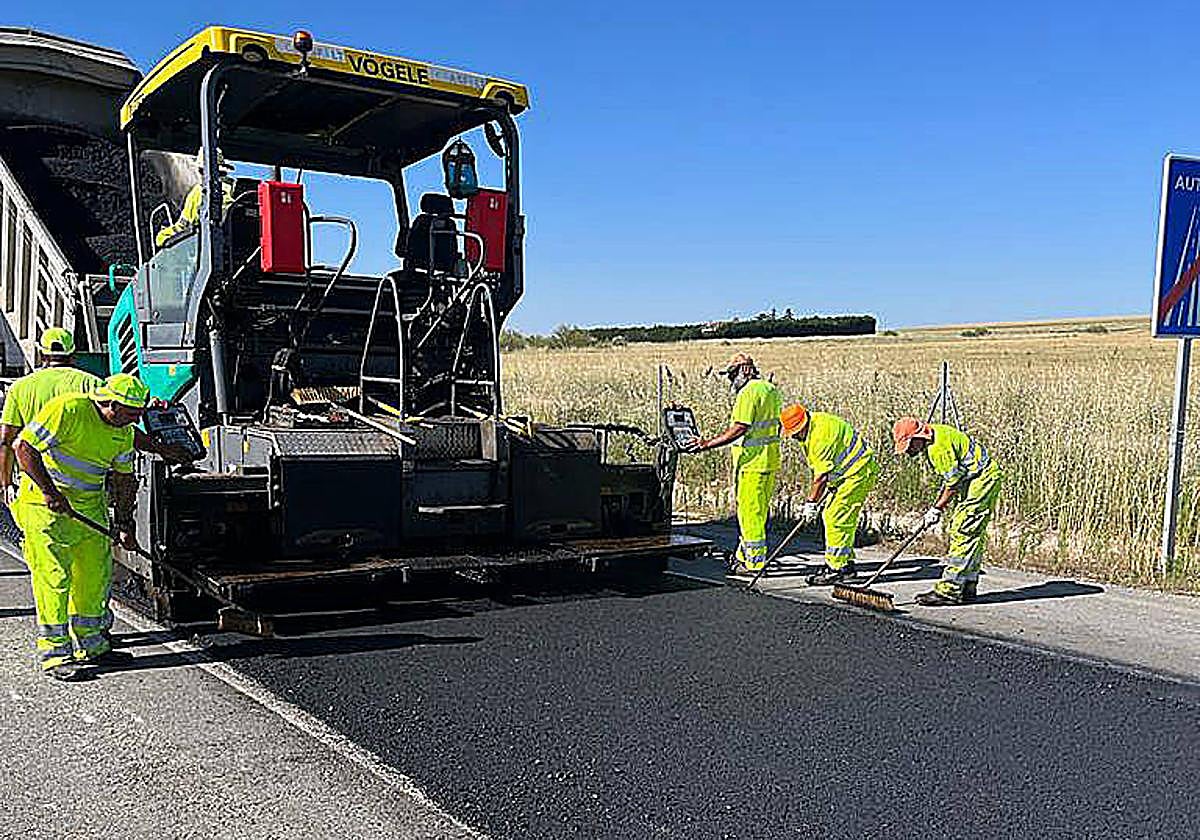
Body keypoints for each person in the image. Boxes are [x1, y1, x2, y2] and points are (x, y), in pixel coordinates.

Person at [12, 373, 150, 681]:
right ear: (110, 404)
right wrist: (49, 491)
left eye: (139, 414)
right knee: (54, 579)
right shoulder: (69, 409)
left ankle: (92, 645)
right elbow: (23, 448)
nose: (135, 421)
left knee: (93, 577)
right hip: (45, 508)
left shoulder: (124, 432)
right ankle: (55, 654)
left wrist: (125, 524)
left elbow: (124, 480)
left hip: (89, 508)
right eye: (131, 413)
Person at [892, 417, 1003, 606]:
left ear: (918, 437)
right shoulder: (937, 433)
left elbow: (952, 484)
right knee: (972, 533)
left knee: (963, 531)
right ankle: (967, 584)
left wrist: (936, 509)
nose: (909, 451)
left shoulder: (938, 448)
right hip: (976, 478)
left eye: (909, 446)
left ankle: (950, 590)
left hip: (982, 480)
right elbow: (955, 478)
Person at [687, 353, 782, 575]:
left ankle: (754, 564)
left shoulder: (748, 392)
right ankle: (742, 556)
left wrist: (706, 444)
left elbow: (740, 427)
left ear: (746, 370)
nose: (731, 380)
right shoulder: (770, 389)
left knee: (749, 515)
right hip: (769, 462)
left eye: (733, 374)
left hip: (751, 463)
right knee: (758, 513)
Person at [780, 404, 879, 586]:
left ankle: (836, 569)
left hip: (857, 473)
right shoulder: (817, 423)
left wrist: (811, 504)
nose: (793, 437)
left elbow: (820, 478)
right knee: (838, 517)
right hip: (848, 473)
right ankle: (845, 564)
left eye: (794, 433)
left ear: (802, 425)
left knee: (836, 517)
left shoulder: (820, 438)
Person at [0, 328, 101, 505]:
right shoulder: (92, 384)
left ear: (42, 355)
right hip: (84, 488)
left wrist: (6, 483)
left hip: (35, 487)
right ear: (73, 355)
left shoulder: (20, 387)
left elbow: (6, 441)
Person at [155, 148, 236, 248]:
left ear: (203, 171)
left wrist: (163, 235)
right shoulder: (238, 189)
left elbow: (183, 227)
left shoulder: (200, 192)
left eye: (201, 171)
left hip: (210, 246)